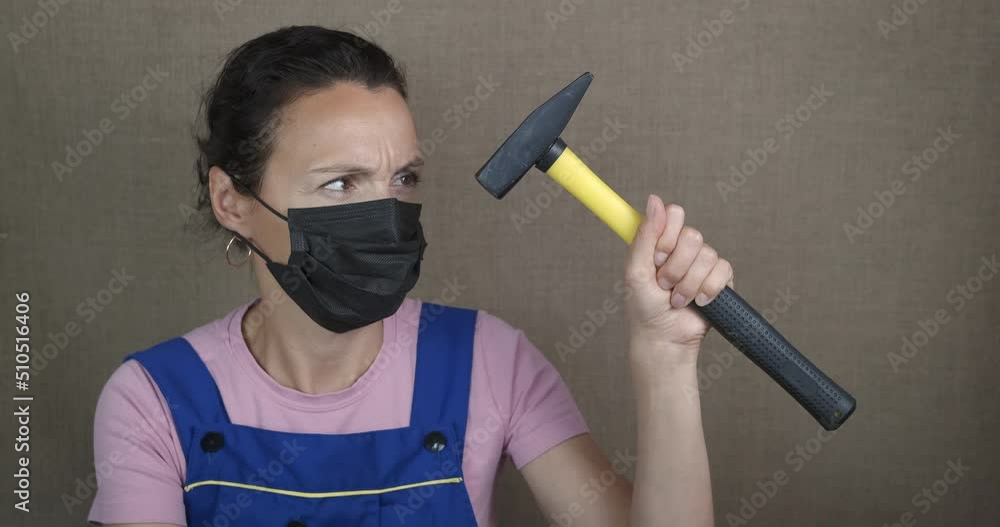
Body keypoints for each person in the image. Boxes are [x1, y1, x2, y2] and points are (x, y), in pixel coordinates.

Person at [88, 25, 732, 527]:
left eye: (403, 178)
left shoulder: (488, 361)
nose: (386, 216)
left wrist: (666, 354)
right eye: (340, 183)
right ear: (232, 202)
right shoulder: (154, 399)